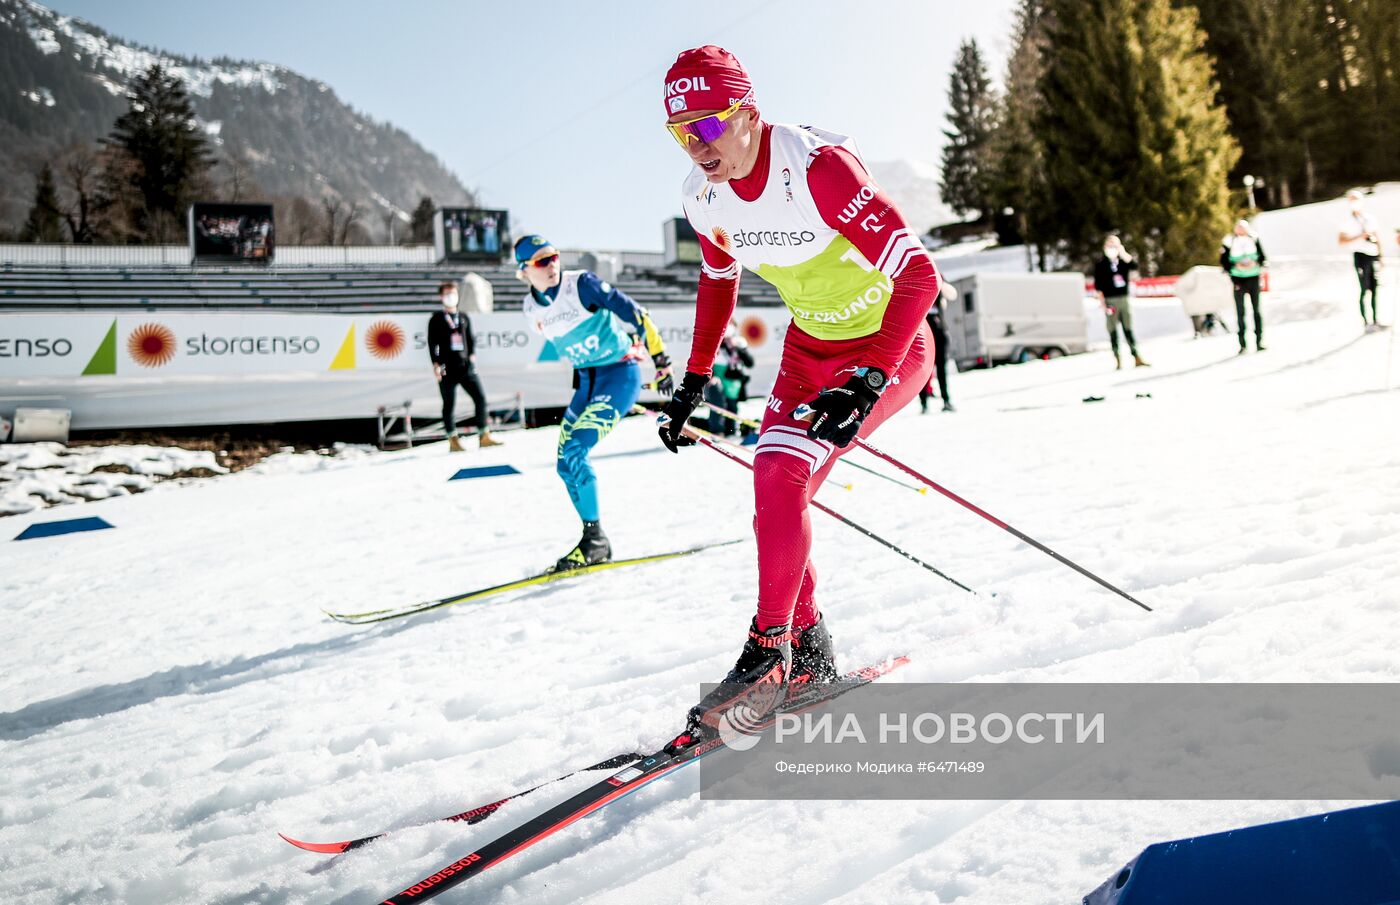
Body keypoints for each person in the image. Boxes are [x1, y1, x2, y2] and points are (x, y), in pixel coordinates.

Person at [654, 46, 939, 733]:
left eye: (710, 127)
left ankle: (768, 652)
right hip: (809, 352)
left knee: (783, 473)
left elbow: (920, 276)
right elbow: (718, 283)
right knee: (774, 487)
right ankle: (807, 653)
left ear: (748, 114)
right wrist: (694, 379)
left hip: (888, 349)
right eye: (680, 132)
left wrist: (869, 380)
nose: (697, 146)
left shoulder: (818, 170)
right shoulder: (702, 197)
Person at [516, 234, 675, 572]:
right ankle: (593, 539)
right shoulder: (531, 309)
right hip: (587, 382)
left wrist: (661, 361)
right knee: (563, 463)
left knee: (575, 450)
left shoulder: (581, 285)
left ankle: (595, 541)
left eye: (555, 256)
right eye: (543, 261)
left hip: (619, 375)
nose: (553, 264)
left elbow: (635, 313)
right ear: (524, 270)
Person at [427, 281, 502, 451]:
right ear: (441, 296)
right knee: (449, 403)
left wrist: (472, 357)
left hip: (465, 366)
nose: (451, 296)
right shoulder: (437, 318)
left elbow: (470, 339)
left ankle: (484, 435)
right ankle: (453, 440)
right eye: (447, 293)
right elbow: (432, 344)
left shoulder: (463, 317)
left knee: (480, 398)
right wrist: (436, 364)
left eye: (453, 293)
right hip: (447, 366)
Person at [1093, 235, 1148, 369]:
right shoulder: (1101, 265)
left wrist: (1122, 252)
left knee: (1128, 329)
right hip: (1110, 300)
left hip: (1124, 299)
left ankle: (1136, 356)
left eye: (1114, 245)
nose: (1112, 248)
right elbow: (1098, 287)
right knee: (1113, 331)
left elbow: (1134, 265)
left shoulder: (1123, 263)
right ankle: (1117, 359)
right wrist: (1103, 304)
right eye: (1109, 245)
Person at [1220, 219, 1267, 353]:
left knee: (1256, 311)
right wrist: (1235, 266)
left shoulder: (1254, 239)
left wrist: (1256, 264)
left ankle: (1259, 342)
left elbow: (1263, 258)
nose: (1241, 230)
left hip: (1253, 278)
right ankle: (1243, 345)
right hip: (1238, 280)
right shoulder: (1229, 241)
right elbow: (1224, 262)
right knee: (1241, 313)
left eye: (1243, 227)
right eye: (1239, 227)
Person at [1338, 189, 1383, 330]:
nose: (1354, 202)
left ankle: (1376, 319)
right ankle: (1366, 322)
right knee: (1364, 289)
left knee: (1375, 288)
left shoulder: (1369, 219)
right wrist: (1359, 237)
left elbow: (1377, 237)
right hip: (1360, 255)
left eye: (1356, 199)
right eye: (1352, 200)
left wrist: (1380, 256)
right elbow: (1341, 241)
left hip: (1372, 254)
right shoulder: (1347, 222)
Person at [705, 318, 754, 436]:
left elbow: (750, 363)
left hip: (734, 382)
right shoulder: (715, 342)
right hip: (718, 378)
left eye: (731, 325)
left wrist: (737, 348)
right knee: (718, 405)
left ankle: (731, 431)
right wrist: (712, 376)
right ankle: (717, 431)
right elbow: (707, 361)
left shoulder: (739, 342)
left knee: (732, 408)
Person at [919, 282, 957, 413]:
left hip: (939, 329)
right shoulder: (918, 284)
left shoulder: (938, 281)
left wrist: (940, 283)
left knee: (941, 368)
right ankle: (924, 403)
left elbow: (952, 294)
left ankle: (946, 400)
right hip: (924, 330)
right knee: (923, 369)